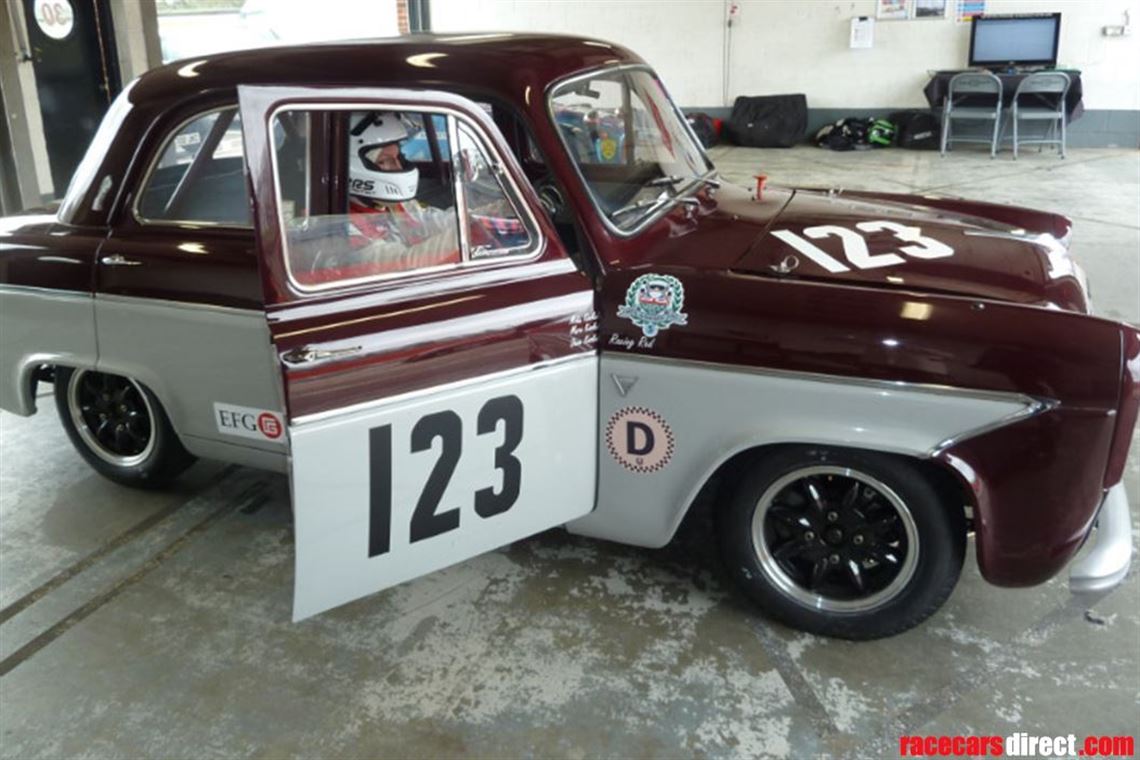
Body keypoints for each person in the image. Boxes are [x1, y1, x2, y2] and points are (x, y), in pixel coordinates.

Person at [344, 111, 460, 272]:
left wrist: (489, 214)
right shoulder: (341, 226)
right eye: (385, 161)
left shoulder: (397, 206)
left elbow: (438, 221)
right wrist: (467, 237)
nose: (398, 167)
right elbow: (401, 265)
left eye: (399, 158)